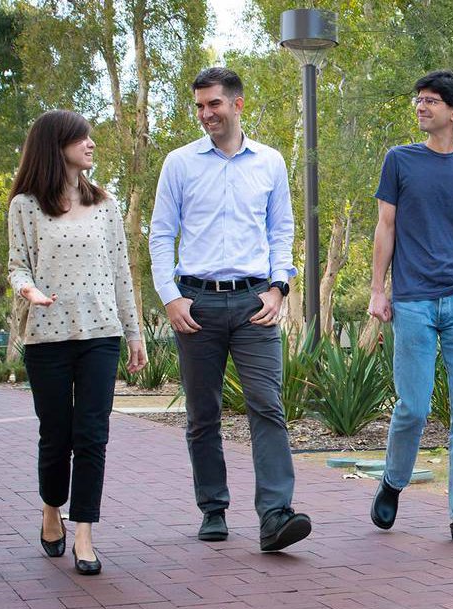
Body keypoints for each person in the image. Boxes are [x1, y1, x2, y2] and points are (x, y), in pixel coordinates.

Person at [149, 66, 311, 552]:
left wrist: (279, 287)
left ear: (237, 104)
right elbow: (160, 234)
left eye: (213, 104)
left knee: (268, 405)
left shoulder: (270, 163)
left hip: (253, 303)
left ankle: (275, 516)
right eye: (199, 106)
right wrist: (170, 297)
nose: (205, 114)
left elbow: (282, 230)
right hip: (194, 304)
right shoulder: (179, 164)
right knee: (203, 414)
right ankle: (213, 508)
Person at [7, 110, 148, 575]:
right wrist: (28, 290)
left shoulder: (105, 204)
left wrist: (135, 335)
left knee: (92, 435)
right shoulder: (26, 205)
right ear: (55, 145)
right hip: (47, 338)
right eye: (80, 137)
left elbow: (121, 273)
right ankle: (51, 508)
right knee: (56, 434)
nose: (90, 144)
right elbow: (17, 265)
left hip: (101, 337)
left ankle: (83, 531)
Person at [367, 70, 453, 545]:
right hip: (414, 302)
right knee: (414, 407)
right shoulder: (400, 160)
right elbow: (386, 227)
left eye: (430, 100)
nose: (421, 106)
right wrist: (377, 289)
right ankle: (393, 480)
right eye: (418, 98)